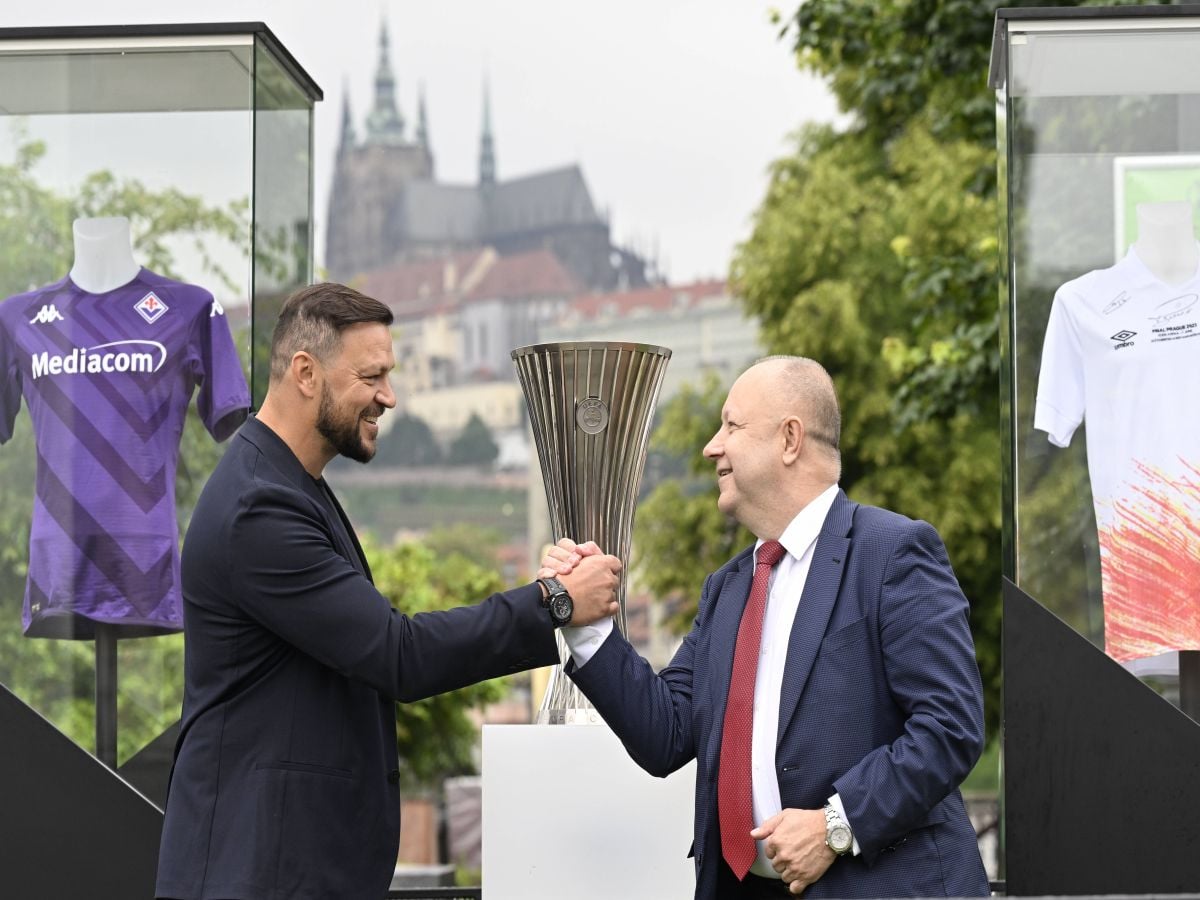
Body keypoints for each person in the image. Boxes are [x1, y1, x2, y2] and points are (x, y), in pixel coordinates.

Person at [155, 282, 622, 900]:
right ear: (305, 373)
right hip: (257, 870)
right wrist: (555, 602)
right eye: (372, 376)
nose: (390, 397)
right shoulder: (258, 507)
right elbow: (397, 655)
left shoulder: (288, 486)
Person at [542, 356, 988, 899]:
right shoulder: (727, 589)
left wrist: (835, 826)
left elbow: (950, 726)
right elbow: (666, 734)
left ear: (790, 439)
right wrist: (587, 627)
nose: (712, 446)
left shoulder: (893, 553)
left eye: (731, 426)